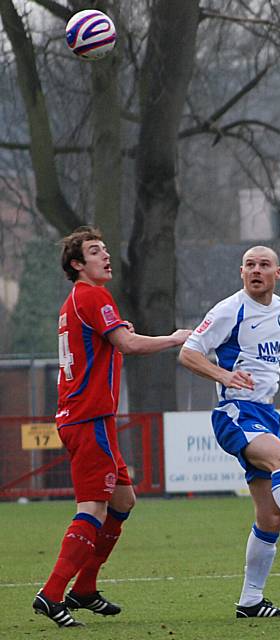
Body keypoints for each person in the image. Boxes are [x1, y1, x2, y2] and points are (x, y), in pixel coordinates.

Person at [32, 226, 191, 628]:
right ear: (77, 264)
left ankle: (84, 588)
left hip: (90, 419)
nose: (106, 256)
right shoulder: (92, 295)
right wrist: (174, 338)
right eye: (95, 251)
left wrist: (125, 334)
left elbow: (110, 347)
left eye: (105, 249)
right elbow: (129, 345)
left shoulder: (77, 302)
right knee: (93, 507)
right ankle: (51, 594)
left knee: (123, 501)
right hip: (88, 420)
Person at [179, 245, 280, 619]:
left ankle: (250, 601)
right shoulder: (229, 310)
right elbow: (189, 352)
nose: (256, 270)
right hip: (235, 412)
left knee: (270, 517)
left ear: (277, 273)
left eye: (263, 265)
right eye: (249, 265)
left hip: (265, 414)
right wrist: (223, 375)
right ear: (241, 272)